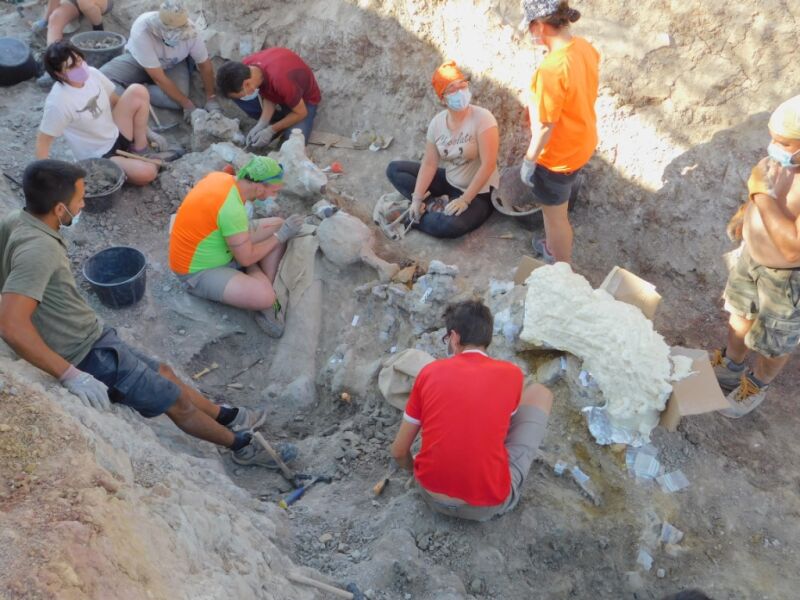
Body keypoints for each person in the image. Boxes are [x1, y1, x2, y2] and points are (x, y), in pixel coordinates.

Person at [0, 159, 294, 468]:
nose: (83, 203)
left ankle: (226, 416)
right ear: (60, 209)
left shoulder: (17, 220)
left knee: (164, 372)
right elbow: (10, 324)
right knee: (175, 402)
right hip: (84, 355)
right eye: (80, 199)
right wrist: (70, 374)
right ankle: (242, 447)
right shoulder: (40, 251)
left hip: (92, 335)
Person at [390, 300, 553, 521]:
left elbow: (399, 452)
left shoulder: (429, 372)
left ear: (454, 337)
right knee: (541, 393)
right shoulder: (512, 374)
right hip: (485, 505)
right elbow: (505, 429)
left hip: (429, 493)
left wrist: (415, 472)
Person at [713, 95, 800, 418]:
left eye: (784, 142)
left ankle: (756, 383)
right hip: (752, 256)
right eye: (772, 138)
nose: (773, 147)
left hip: (786, 278)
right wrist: (745, 211)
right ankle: (731, 366)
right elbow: (763, 191)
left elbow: (792, 247)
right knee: (739, 312)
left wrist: (760, 196)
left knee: (774, 341)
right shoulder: (786, 160)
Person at [169, 157, 304, 338]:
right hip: (196, 272)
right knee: (266, 296)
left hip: (218, 242)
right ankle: (260, 285)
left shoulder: (221, 178)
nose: (274, 196)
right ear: (259, 188)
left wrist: (278, 232)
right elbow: (246, 258)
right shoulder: (232, 209)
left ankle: (258, 278)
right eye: (273, 191)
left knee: (278, 223)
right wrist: (280, 237)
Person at [519, 0, 599, 263]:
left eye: (530, 27)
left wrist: (529, 161)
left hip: (556, 157)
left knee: (555, 218)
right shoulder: (584, 48)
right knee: (556, 209)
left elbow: (545, 126)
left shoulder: (552, 69)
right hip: (581, 140)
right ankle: (552, 245)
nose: (530, 33)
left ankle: (561, 266)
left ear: (541, 25)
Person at [385, 60, 499, 239]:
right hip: (450, 181)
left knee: (449, 225)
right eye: (452, 89)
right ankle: (429, 204)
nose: (459, 92)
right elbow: (430, 163)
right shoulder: (437, 123)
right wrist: (417, 198)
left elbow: (488, 164)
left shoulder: (483, 118)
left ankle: (417, 219)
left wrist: (465, 200)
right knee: (395, 169)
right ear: (443, 98)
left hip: (479, 193)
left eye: (462, 85)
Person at [35, 41, 172, 186]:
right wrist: (47, 178)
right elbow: (43, 141)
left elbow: (115, 101)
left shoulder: (92, 74)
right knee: (147, 173)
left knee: (137, 91)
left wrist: (146, 131)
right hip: (99, 155)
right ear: (59, 74)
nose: (80, 68)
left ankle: (140, 150)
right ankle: (144, 165)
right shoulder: (58, 102)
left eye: (79, 60)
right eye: (71, 67)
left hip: (115, 133)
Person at [100, 0, 221, 115]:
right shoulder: (142, 29)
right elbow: (158, 77)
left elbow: (205, 65)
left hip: (173, 64)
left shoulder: (191, 33)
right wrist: (187, 104)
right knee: (103, 78)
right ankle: (133, 95)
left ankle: (141, 88)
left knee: (177, 101)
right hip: (139, 62)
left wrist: (211, 98)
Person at [215, 47, 321, 148]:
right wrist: (262, 123)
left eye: (242, 95)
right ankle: (281, 121)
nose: (243, 97)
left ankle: (283, 123)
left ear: (247, 84)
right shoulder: (247, 68)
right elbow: (269, 95)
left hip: (304, 99)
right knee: (250, 104)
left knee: (293, 141)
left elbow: (301, 113)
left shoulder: (280, 80)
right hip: (285, 91)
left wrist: (271, 130)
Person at [33, 0, 112, 53]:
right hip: (73, 2)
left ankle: (99, 31)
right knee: (55, 18)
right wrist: (46, 19)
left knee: (84, 2)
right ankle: (55, 57)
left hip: (99, 2)